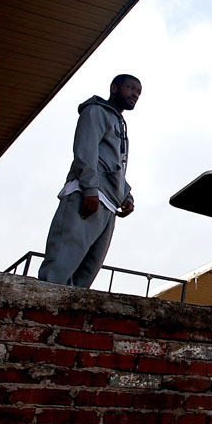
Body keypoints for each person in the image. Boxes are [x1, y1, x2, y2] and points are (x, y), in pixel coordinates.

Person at [38, 74, 141, 286]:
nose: (135, 94)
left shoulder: (119, 123)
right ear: (114, 88)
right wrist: (90, 190)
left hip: (110, 204)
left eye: (138, 92)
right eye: (130, 88)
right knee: (62, 263)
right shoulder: (96, 111)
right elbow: (86, 151)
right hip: (88, 196)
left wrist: (126, 195)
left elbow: (114, 164)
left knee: (86, 273)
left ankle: (66, 317)